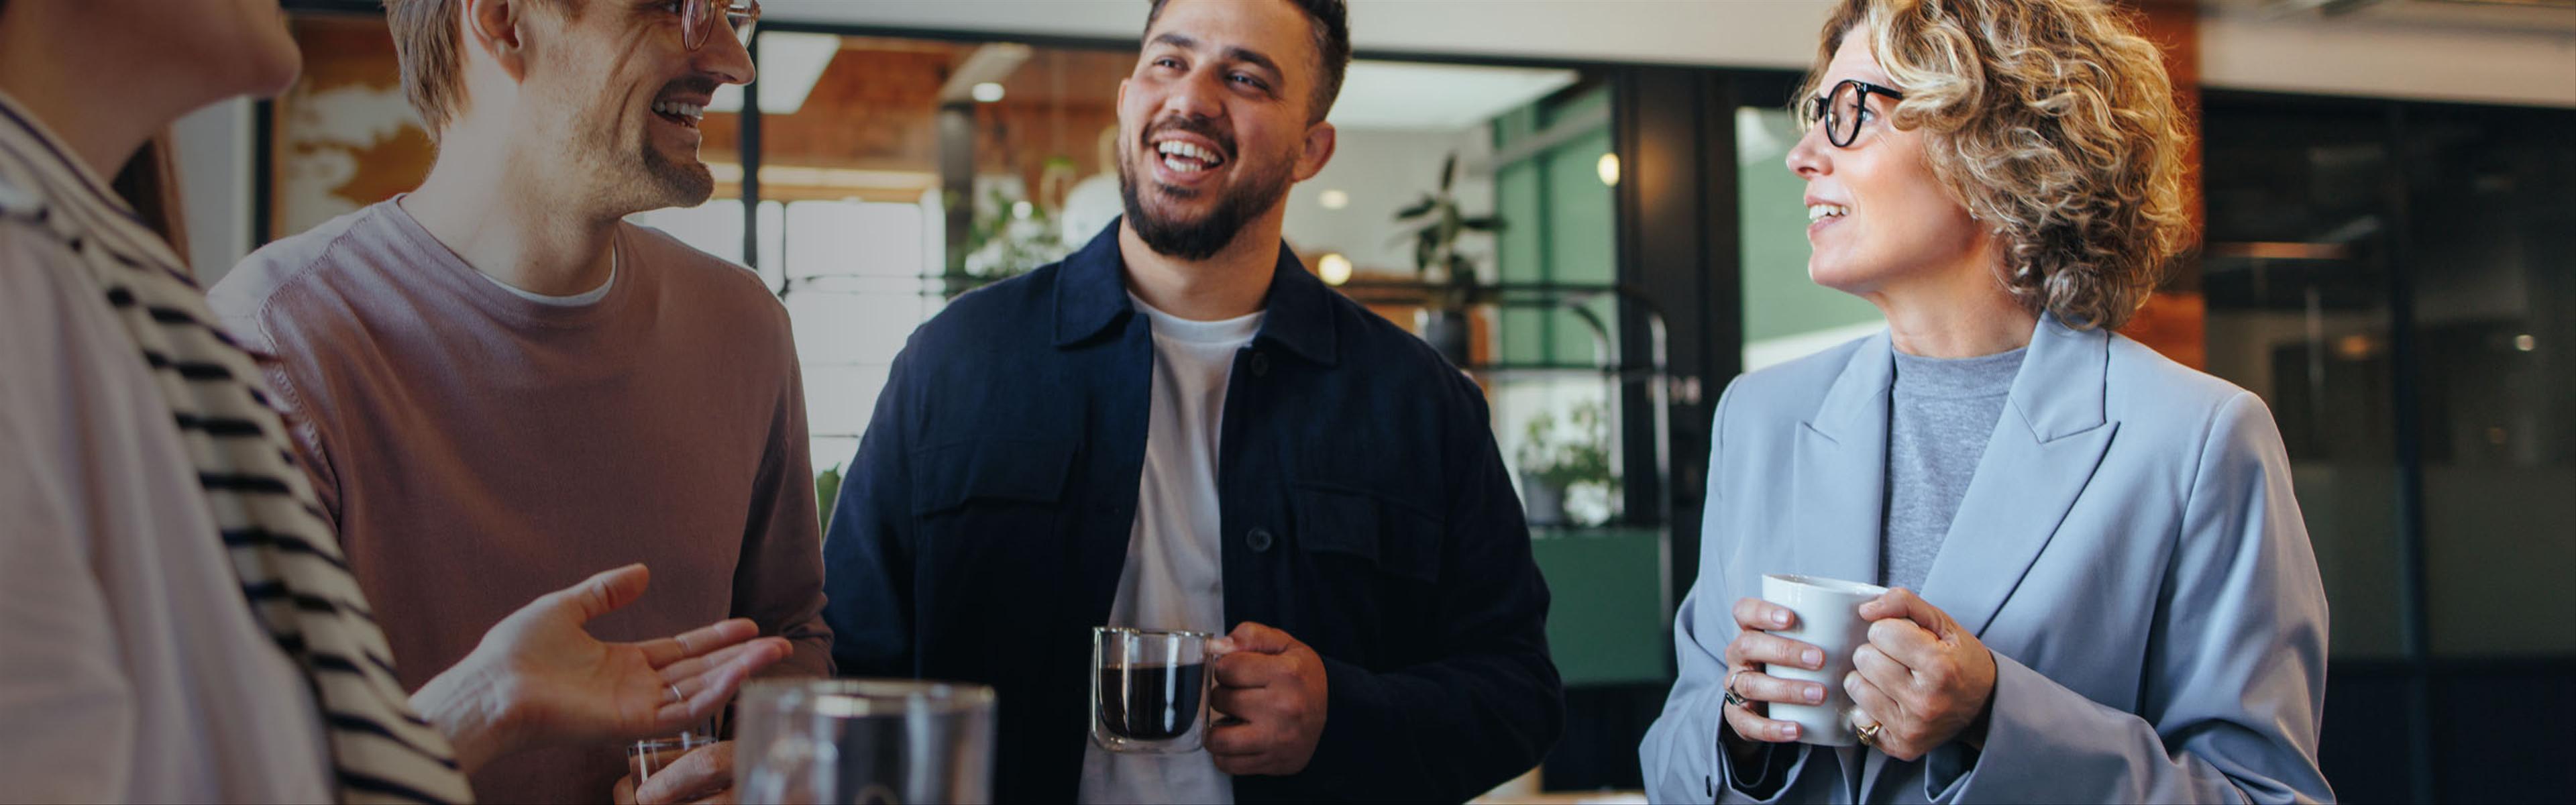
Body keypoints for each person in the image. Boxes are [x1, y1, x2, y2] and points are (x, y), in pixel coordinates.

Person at [0, 0, 789, 802]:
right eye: (676, 6)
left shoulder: (102, 285)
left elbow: (793, 633)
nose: (734, 60)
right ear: (504, 21)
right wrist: (480, 709)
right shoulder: (262, 337)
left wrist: (759, 771)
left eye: (733, 11)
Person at [821, 0, 1564, 801]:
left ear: (1311, 149)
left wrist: (1342, 712)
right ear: (1126, 97)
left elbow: (1519, 694)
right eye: (1169, 62)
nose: (1193, 98)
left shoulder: (1422, 403)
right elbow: (845, 659)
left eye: (1244, 77)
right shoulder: (954, 362)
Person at [1638, 0, 2335, 802]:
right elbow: (1671, 760)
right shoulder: (1760, 418)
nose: (1801, 155)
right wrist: (1738, 732)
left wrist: (1995, 716)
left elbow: (2263, 794)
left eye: (1846, 114)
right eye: (1812, 116)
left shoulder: (2199, 439)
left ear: (1997, 143)